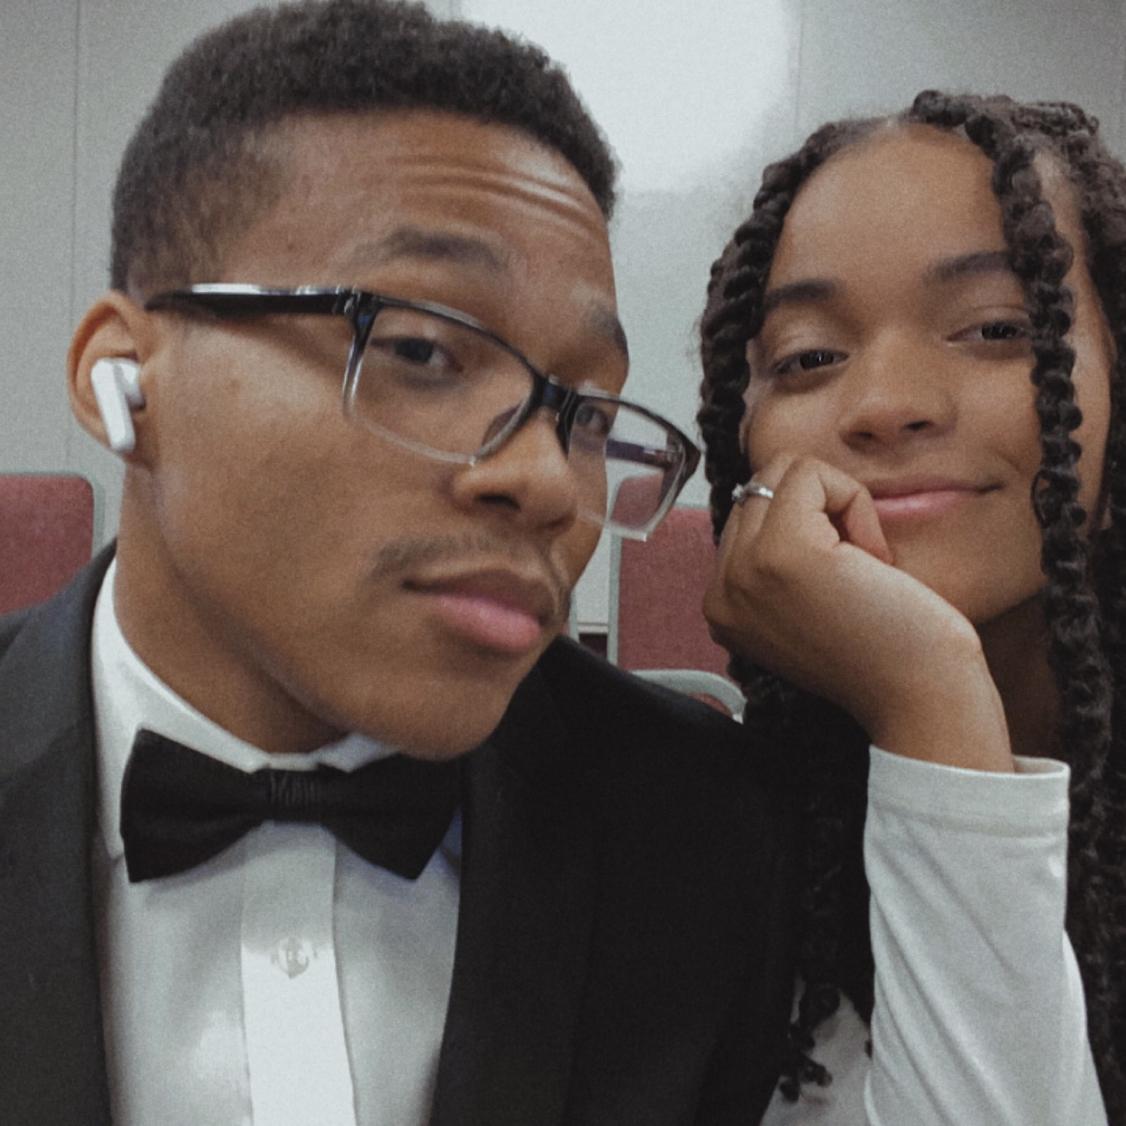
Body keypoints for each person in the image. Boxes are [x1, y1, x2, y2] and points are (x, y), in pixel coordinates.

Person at [0, 3, 799, 1123]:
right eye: (422, 349)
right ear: (126, 380)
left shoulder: (704, 834)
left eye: (585, 414)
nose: (548, 484)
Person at [698, 90, 1126, 1123]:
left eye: (995, 329)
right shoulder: (685, 845)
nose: (885, 404)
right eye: (808, 357)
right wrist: (929, 697)